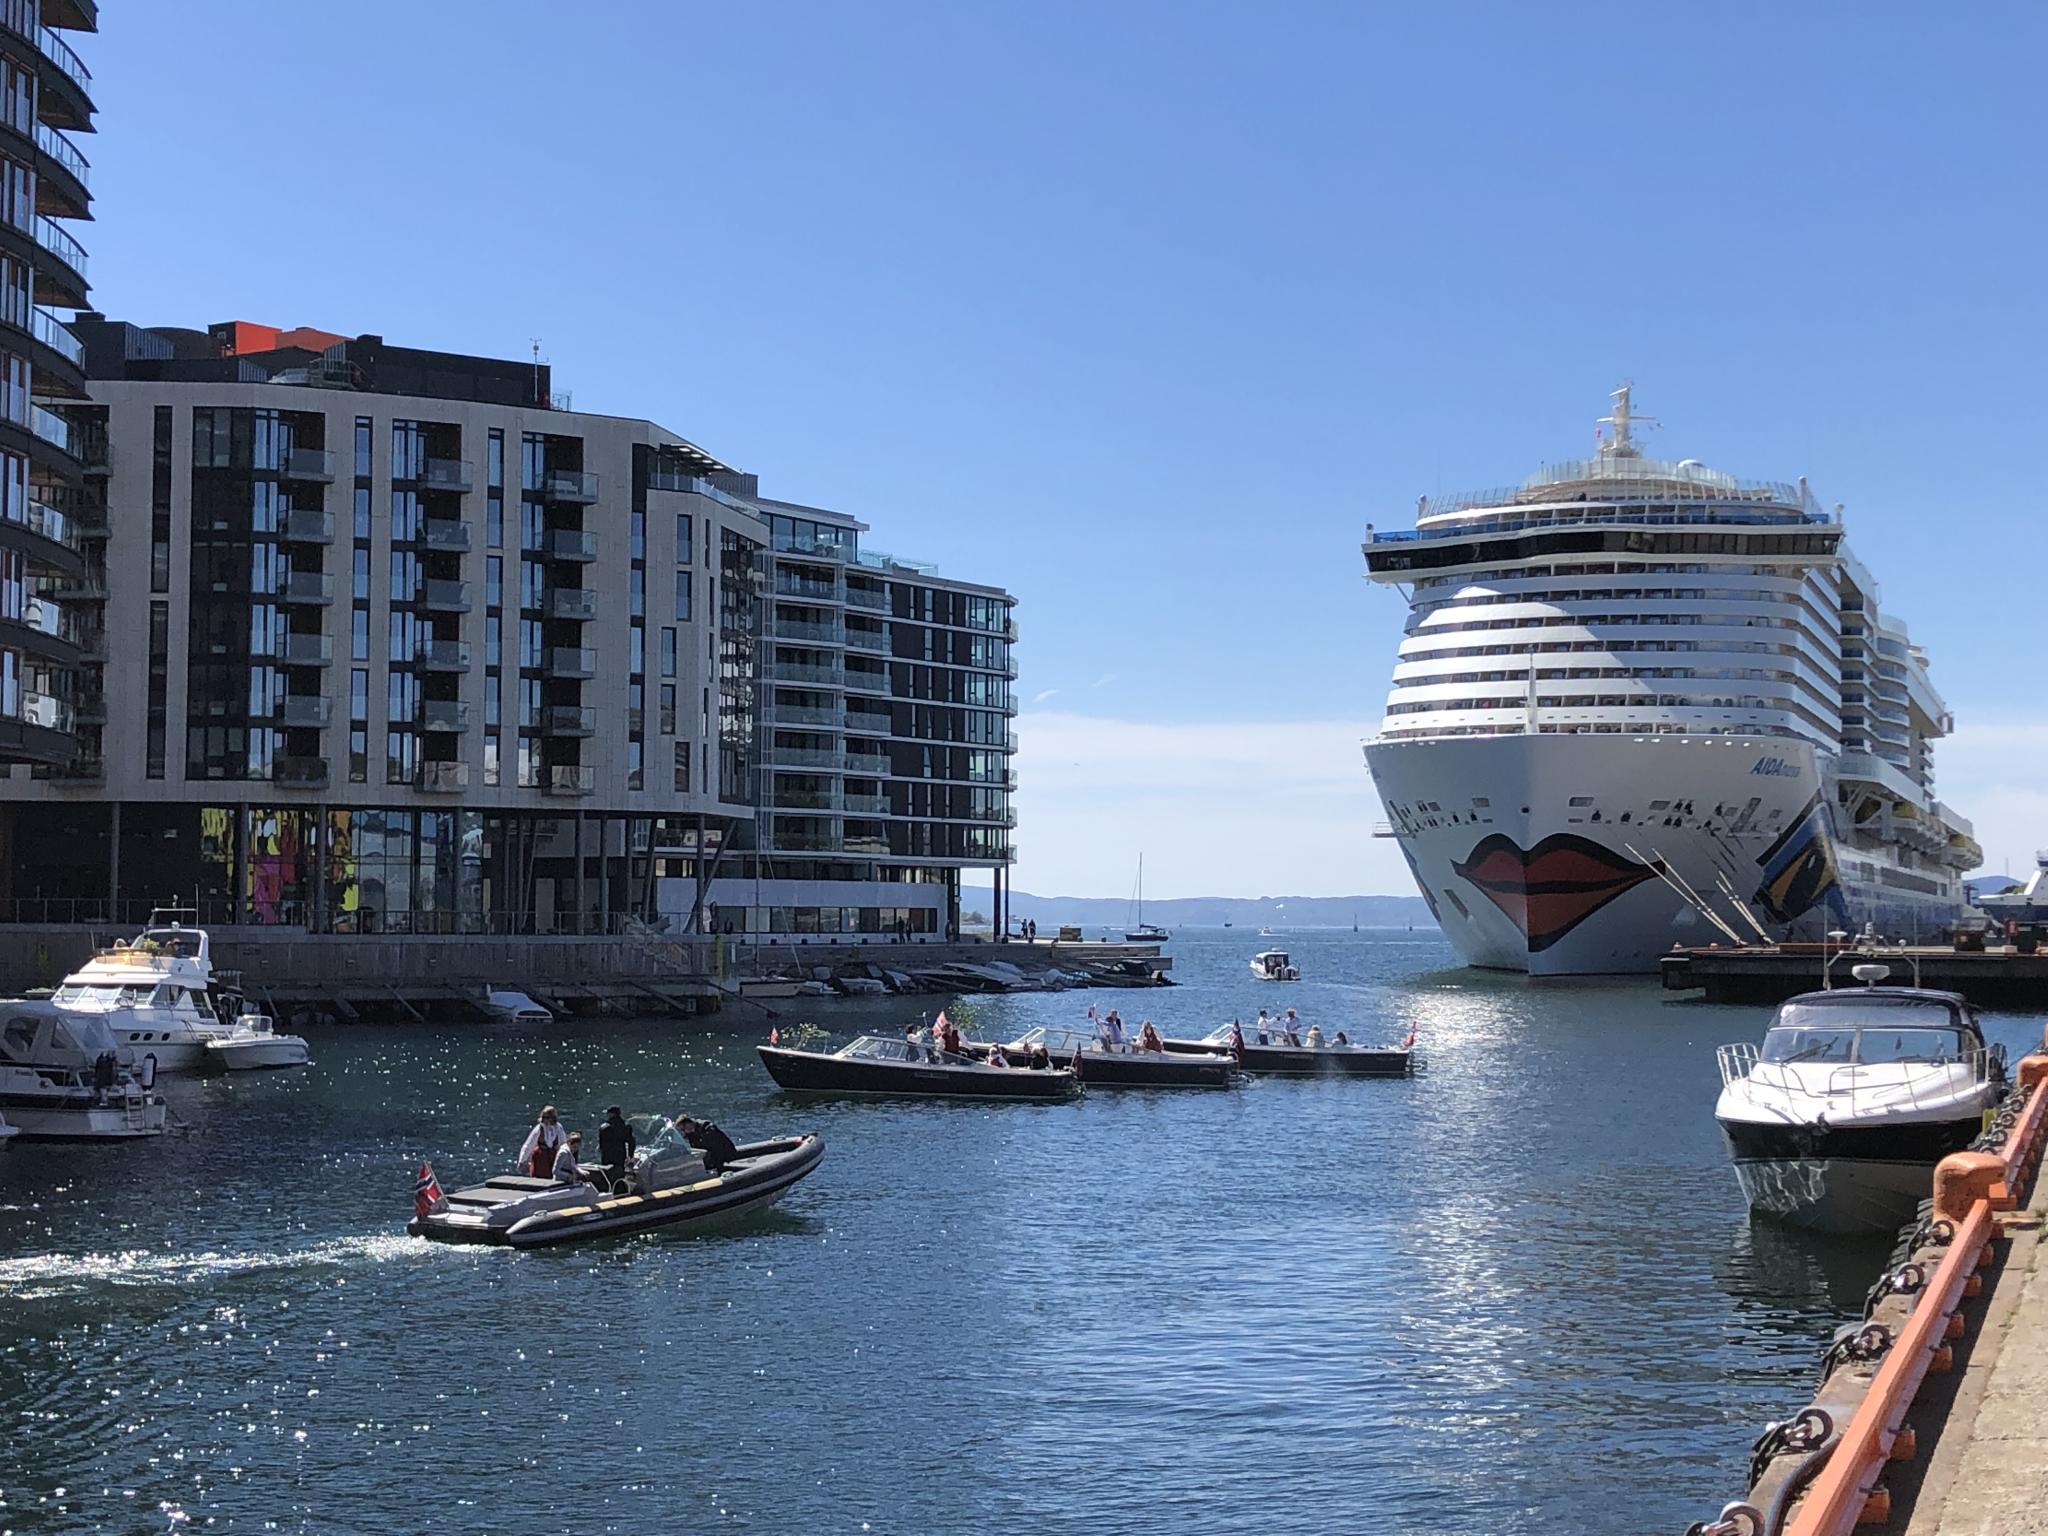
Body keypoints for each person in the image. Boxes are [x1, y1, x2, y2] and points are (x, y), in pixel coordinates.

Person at [519, 1105, 566, 1178]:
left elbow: (563, 1144)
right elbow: (528, 1145)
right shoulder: (539, 1129)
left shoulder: (559, 1128)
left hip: (552, 1158)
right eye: (543, 1117)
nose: (544, 1120)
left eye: (547, 1117)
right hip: (540, 1159)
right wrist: (522, 1160)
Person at [598, 1106, 637, 1185]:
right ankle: (620, 1189)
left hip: (607, 1156)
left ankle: (608, 1189)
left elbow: (601, 1145)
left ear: (611, 1114)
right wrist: (630, 1155)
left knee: (607, 1175)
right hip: (619, 1156)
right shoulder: (625, 1126)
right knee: (619, 1175)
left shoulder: (604, 1128)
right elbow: (631, 1142)